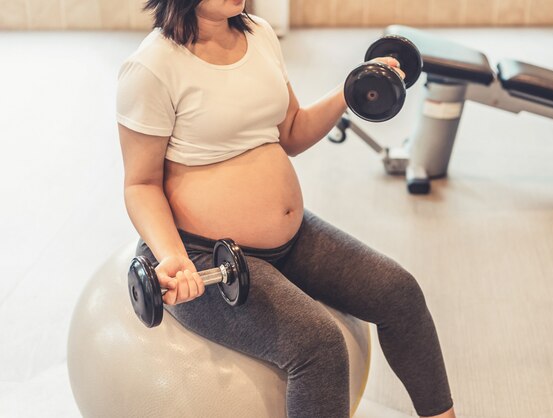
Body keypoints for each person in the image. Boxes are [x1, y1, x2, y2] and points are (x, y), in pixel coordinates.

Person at [116, 1, 456, 417]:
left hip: (290, 241)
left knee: (399, 294)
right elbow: (141, 185)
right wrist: (173, 256)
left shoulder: (258, 34)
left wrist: (354, 88)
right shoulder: (152, 67)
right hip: (201, 256)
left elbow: (291, 131)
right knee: (319, 345)